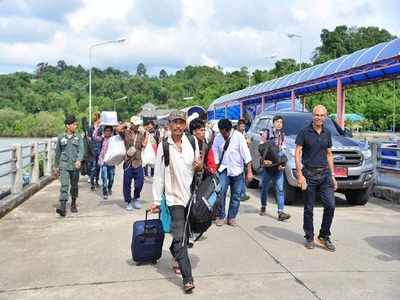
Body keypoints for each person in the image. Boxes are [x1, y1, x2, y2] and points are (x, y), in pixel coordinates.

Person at [150, 110, 202, 293]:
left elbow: (198, 166)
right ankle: (188, 279)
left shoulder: (193, 141)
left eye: (181, 122)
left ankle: (174, 249)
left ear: (185, 125)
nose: (178, 126)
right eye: (175, 123)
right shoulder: (164, 146)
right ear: (169, 125)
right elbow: (158, 176)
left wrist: (199, 166)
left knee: (187, 235)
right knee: (180, 236)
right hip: (174, 199)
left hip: (191, 196)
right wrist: (157, 200)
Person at [295, 105, 337, 252]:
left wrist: (333, 176)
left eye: (322, 115)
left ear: (325, 117)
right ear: (312, 116)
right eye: (316, 115)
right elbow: (297, 153)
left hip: (325, 174)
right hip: (309, 174)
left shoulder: (327, 132)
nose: (319, 117)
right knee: (309, 208)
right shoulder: (304, 132)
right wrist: (300, 175)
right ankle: (309, 236)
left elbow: (329, 154)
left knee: (330, 205)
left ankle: (324, 236)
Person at [212, 119, 253, 227]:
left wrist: (249, 171)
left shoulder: (238, 137)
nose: (223, 135)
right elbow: (215, 154)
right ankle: (221, 216)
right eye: (221, 132)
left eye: (225, 133)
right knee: (221, 193)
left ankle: (232, 217)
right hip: (223, 169)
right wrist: (214, 170)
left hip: (237, 170)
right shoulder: (217, 138)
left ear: (229, 130)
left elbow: (246, 154)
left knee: (236, 195)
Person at [258, 115, 291, 221]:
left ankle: (280, 212)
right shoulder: (266, 133)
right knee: (264, 188)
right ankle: (263, 206)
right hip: (268, 166)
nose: (279, 124)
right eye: (277, 122)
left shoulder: (282, 135)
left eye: (281, 122)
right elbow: (261, 148)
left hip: (277, 166)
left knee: (280, 189)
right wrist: (264, 160)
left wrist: (282, 164)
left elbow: (283, 151)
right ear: (273, 123)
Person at [54, 115, 84, 217]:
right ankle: (62, 206)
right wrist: (56, 166)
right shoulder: (61, 137)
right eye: (74, 124)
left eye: (76, 124)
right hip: (64, 165)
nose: (76, 126)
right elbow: (57, 152)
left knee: (74, 186)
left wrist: (79, 160)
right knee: (64, 185)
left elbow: (81, 150)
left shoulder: (78, 137)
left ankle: (73, 203)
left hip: (75, 165)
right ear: (68, 126)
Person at [117, 116, 148, 210]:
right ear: (132, 124)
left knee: (140, 182)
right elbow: (118, 129)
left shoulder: (141, 133)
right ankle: (128, 201)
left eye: (138, 124)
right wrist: (125, 124)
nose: (138, 126)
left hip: (138, 161)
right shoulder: (125, 132)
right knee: (127, 183)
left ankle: (136, 197)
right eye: (136, 124)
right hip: (128, 162)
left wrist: (146, 136)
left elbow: (144, 145)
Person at [98, 126, 116, 200]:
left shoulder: (114, 140)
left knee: (111, 177)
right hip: (103, 161)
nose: (107, 132)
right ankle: (105, 192)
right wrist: (98, 127)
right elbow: (94, 136)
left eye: (109, 131)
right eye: (106, 131)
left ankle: (109, 188)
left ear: (111, 132)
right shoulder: (101, 139)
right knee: (104, 177)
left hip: (111, 162)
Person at [236, 118, 251, 202]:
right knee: (240, 177)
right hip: (238, 158)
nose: (243, 127)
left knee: (242, 176)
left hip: (244, 158)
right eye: (241, 126)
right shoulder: (237, 135)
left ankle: (242, 193)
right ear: (238, 126)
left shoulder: (244, 134)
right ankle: (241, 194)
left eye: (244, 126)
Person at [88, 112, 103, 191]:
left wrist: (97, 137)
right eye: (100, 119)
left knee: (98, 166)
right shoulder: (90, 128)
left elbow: (101, 139)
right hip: (92, 150)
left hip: (99, 150)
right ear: (97, 119)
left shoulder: (101, 128)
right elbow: (89, 139)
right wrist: (97, 137)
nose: (101, 120)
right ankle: (92, 183)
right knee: (93, 167)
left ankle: (97, 180)